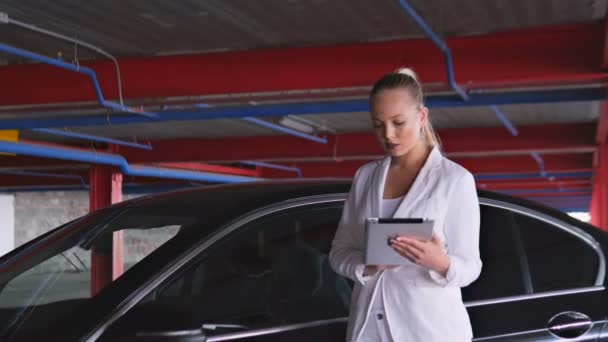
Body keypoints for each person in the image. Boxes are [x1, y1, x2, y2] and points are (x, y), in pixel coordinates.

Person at [329, 68, 482, 342]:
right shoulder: (365, 177)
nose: (388, 135)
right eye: (378, 124)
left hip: (428, 332)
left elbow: (471, 267)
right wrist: (366, 266)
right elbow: (339, 252)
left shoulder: (454, 180)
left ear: (421, 116)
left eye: (398, 123)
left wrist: (441, 263)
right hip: (368, 331)